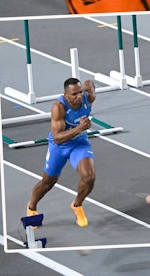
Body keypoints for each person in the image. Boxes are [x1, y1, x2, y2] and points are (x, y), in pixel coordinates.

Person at [26, 78, 97, 228]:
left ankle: (77, 205)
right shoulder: (59, 107)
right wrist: (79, 128)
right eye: (73, 94)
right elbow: (58, 138)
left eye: (80, 92)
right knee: (48, 183)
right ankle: (32, 207)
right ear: (65, 95)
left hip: (79, 144)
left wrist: (88, 86)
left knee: (89, 177)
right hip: (59, 147)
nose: (78, 96)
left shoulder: (88, 96)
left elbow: (89, 83)